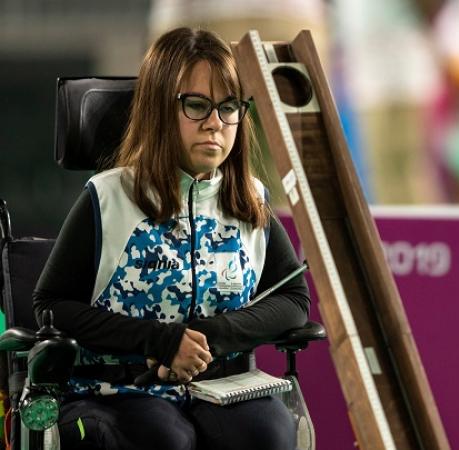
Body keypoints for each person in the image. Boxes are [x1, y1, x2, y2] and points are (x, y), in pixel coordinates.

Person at [32, 27, 310, 450]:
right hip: (119, 392)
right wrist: (159, 341)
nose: (215, 123)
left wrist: (213, 335)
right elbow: (50, 306)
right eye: (197, 105)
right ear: (161, 110)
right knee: (164, 439)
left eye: (229, 106)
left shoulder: (250, 198)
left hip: (224, 388)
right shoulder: (109, 198)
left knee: (267, 434)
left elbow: (293, 300)